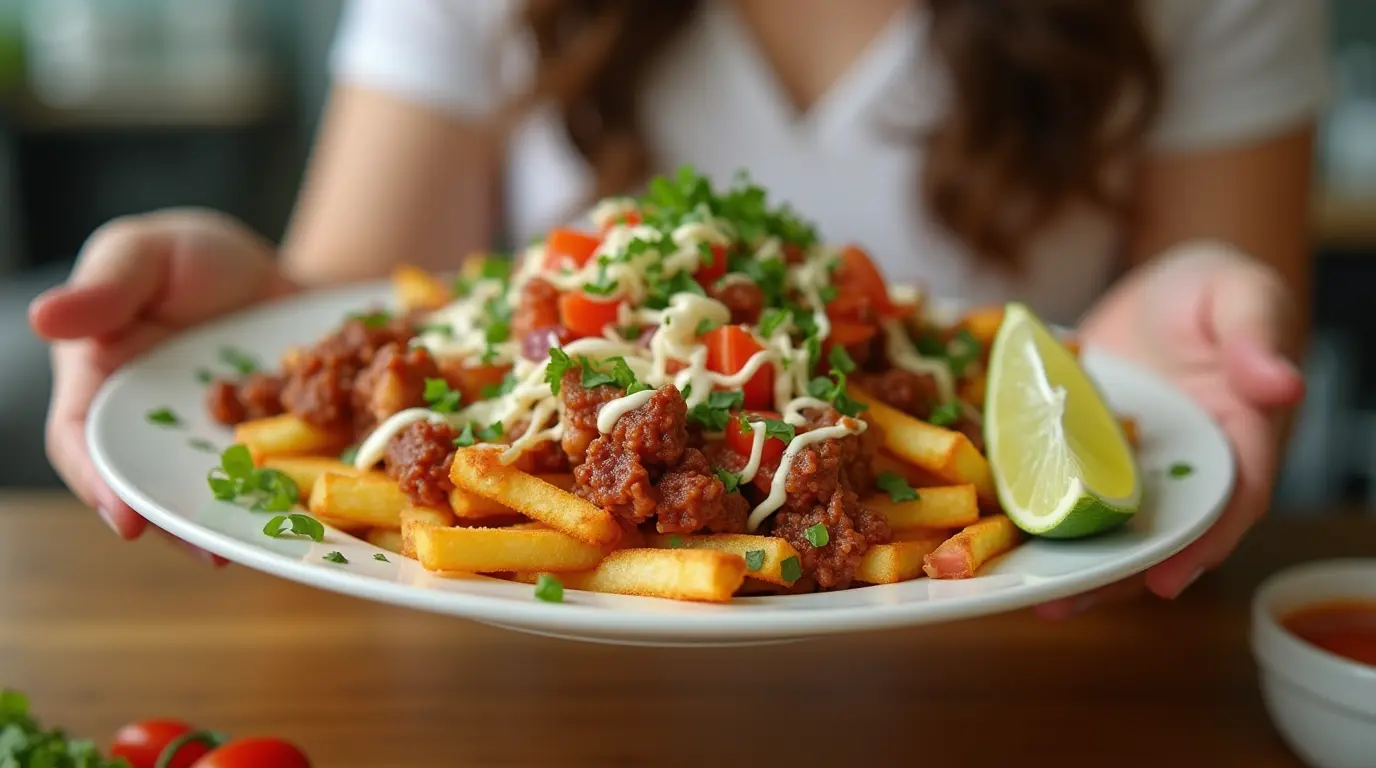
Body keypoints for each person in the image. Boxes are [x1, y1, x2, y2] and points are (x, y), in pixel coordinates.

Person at [29, 0, 1325, 615]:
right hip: (508, 697)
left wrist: (1176, 330)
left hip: (1044, 669)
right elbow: (360, 295)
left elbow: (1201, 310)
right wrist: (252, 313)